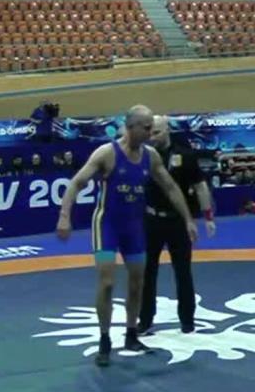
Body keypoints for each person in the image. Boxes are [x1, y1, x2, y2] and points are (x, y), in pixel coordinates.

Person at [56, 105, 197, 367]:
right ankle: (105, 339)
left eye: (152, 128)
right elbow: (76, 183)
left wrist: (188, 219)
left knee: (136, 283)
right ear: (131, 127)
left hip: (134, 228)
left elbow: (170, 187)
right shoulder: (107, 153)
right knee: (107, 282)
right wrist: (65, 216)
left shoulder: (150, 156)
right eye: (146, 128)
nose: (150, 133)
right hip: (107, 226)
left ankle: (131, 333)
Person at [139, 114, 216, 335]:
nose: (152, 137)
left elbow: (200, 187)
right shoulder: (143, 155)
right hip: (151, 220)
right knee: (147, 272)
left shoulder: (185, 155)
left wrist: (208, 217)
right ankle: (145, 320)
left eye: (157, 132)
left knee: (183, 271)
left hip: (178, 221)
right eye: (150, 132)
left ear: (167, 131)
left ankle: (187, 320)